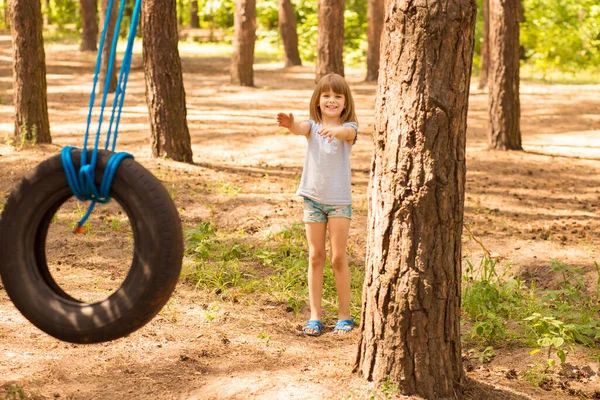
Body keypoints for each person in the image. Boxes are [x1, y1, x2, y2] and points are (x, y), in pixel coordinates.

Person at [276, 73, 358, 337]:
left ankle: (344, 315)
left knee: (337, 257)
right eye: (326, 96)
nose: (331, 100)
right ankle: (315, 316)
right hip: (313, 199)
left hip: (338, 202)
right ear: (318, 100)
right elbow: (300, 128)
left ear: (345, 102)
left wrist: (336, 130)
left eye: (337, 96)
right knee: (315, 257)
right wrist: (290, 125)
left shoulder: (350, 127)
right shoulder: (311, 125)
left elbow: (347, 133)